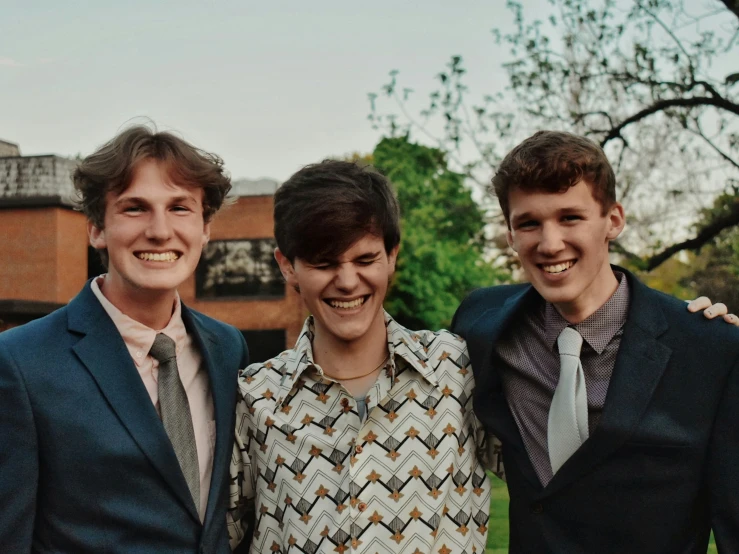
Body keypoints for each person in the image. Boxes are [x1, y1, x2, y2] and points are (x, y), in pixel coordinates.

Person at [452, 130, 739, 553]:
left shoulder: (709, 346)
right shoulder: (480, 322)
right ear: (511, 236)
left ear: (614, 220)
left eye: (570, 218)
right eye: (529, 223)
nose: (550, 244)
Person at [0, 125, 249, 553]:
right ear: (96, 228)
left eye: (180, 208)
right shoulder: (20, 363)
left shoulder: (228, 348)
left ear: (205, 228)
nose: (159, 230)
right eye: (135, 208)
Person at [227, 160, 495, 554]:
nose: (348, 281)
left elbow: (552, 483)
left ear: (392, 256)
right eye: (324, 263)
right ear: (288, 266)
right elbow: (223, 535)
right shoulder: (254, 396)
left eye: (365, 260)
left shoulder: (456, 367)